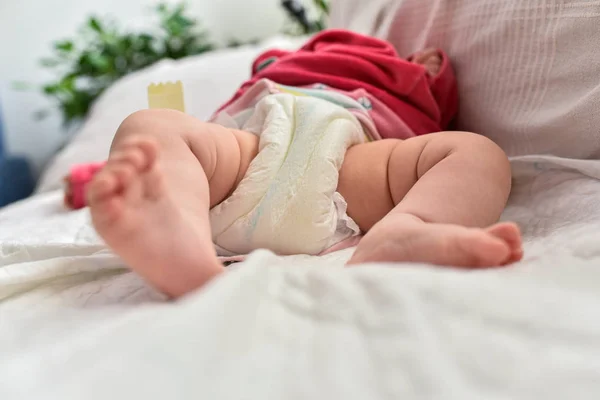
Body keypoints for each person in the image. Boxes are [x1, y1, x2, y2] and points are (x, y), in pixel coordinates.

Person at [85, 30, 522, 298]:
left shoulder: (409, 76)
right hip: (251, 148)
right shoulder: (272, 68)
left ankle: (407, 228)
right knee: (151, 126)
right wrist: (115, 175)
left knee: (477, 152)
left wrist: (429, 70)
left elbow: (442, 106)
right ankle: (178, 232)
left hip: (352, 160)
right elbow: (145, 160)